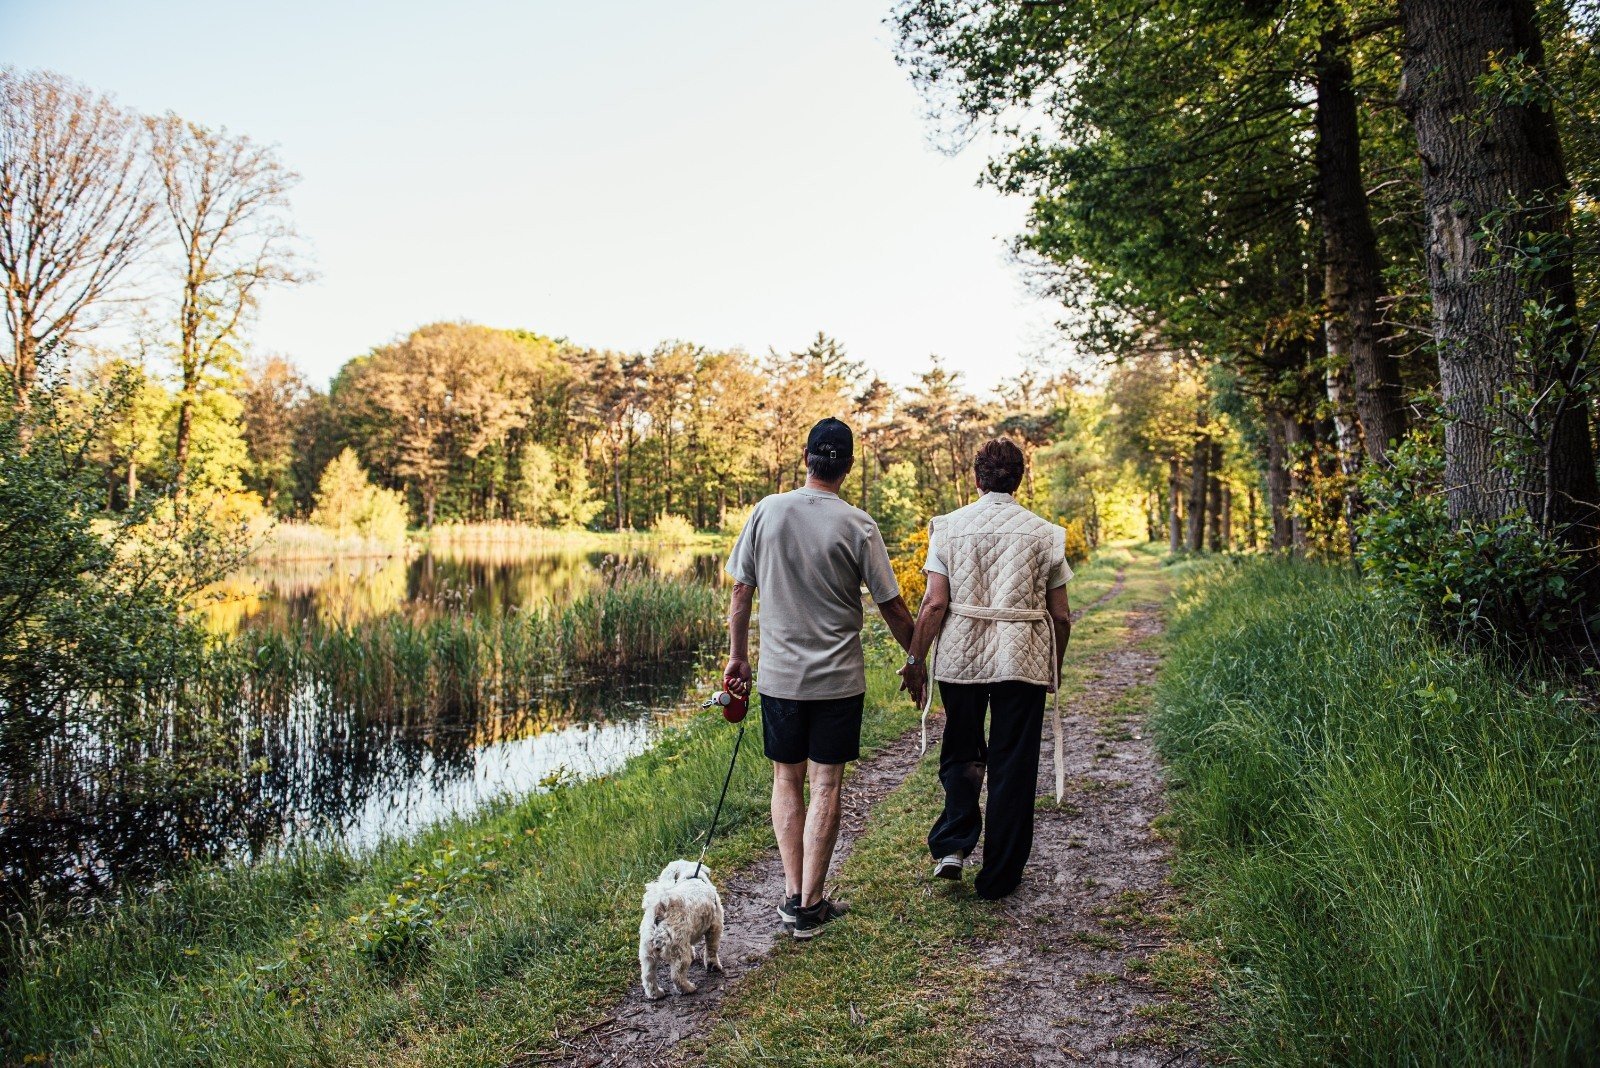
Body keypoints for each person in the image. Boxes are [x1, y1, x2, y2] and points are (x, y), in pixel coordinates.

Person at [724, 417, 916, 939]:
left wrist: (738, 657)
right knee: (825, 781)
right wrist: (919, 658)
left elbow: (741, 594)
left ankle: (792, 894)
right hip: (837, 681)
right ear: (848, 467)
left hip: (779, 679)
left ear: (805, 457)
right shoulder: (859, 525)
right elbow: (893, 608)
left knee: (786, 778)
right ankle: (810, 904)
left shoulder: (767, 511)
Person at [898, 438, 1073, 901]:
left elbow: (935, 603)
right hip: (1024, 658)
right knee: (1014, 764)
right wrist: (1054, 666)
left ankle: (953, 846)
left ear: (976, 479)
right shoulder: (1045, 533)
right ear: (1018, 479)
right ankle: (999, 876)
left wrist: (915, 660)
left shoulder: (949, 528)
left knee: (961, 749)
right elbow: (1061, 615)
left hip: (961, 655)